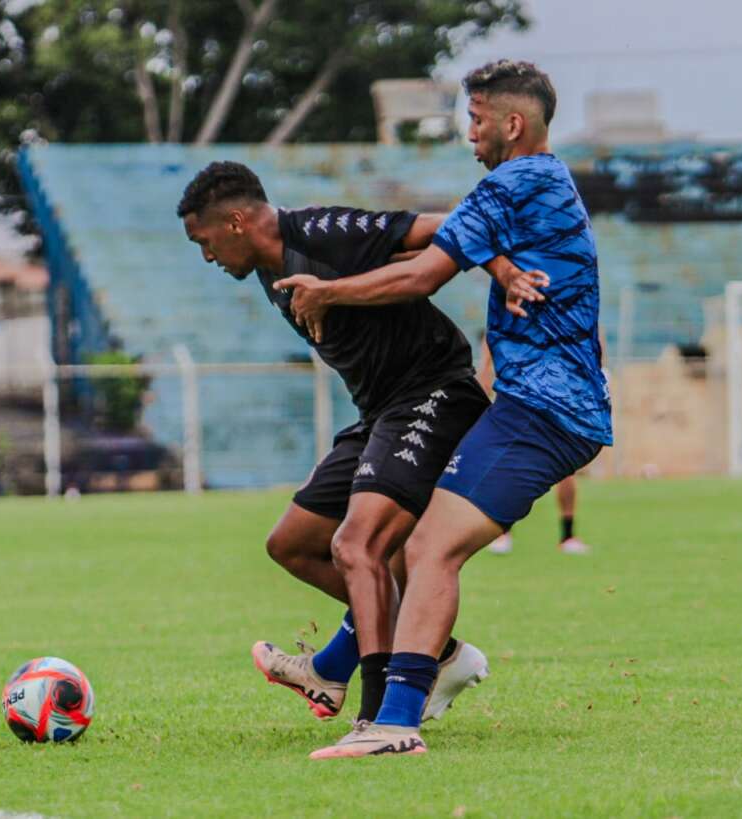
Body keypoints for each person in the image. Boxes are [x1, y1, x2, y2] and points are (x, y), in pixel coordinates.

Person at [275, 59, 613, 758]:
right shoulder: (542, 182)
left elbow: (423, 273)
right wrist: (499, 267)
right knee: (403, 538)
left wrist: (329, 292)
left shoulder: (513, 181)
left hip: (546, 410)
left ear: (511, 124)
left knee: (427, 546)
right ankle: (355, 669)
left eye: (477, 120)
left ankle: (396, 720)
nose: (470, 134)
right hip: (531, 402)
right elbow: (472, 244)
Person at [176, 162, 495, 726]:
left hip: (434, 393)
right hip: (379, 413)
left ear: (235, 222)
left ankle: (379, 717)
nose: (206, 258)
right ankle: (429, 655)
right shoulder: (266, 270)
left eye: (204, 242)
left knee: (359, 547)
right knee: (293, 544)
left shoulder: (324, 233)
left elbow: (453, 225)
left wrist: (507, 270)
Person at [476, 335, 591, 556]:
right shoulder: (501, 327)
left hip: (552, 408)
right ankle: (503, 533)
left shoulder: (554, 323)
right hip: (513, 408)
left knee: (566, 472)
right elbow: (486, 370)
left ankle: (568, 535)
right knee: (506, 471)